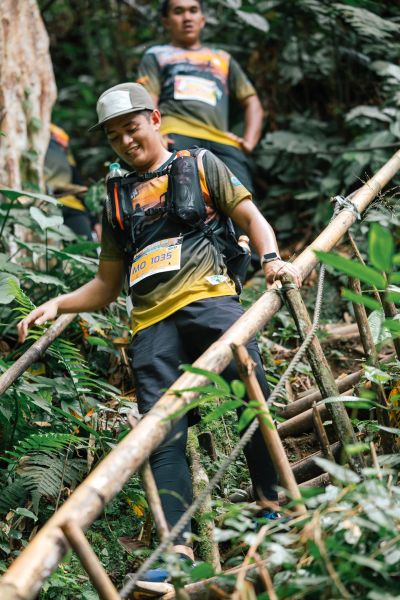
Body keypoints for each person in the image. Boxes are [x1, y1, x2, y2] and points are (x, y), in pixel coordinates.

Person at [18, 83, 301, 582]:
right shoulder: (115, 199)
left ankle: (272, 504)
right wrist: (58, 303)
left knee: (247, 389)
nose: (126, 142)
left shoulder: (200, 164)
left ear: (154, 120)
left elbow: (250, 218)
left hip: (210, 300)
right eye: (114, 137)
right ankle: (176, 553)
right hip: (150, 325)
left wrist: (273, 259)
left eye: (131, 128)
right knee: (161, 433)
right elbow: (106, 286)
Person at [137, 0, 263, 195]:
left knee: (243, 200)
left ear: (202, 19)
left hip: (222, 141)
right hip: (175, 136)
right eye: (178, 11)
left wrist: (249, 142)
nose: (187, 17)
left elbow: (251, 100)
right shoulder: (156, 55)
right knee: (181, 200)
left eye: (193, 10)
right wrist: (155, 136)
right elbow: (147, 99)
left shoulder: (223, 58)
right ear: (166, 21)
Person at [45, 123, 101, 241]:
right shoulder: (27, 131)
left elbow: (76, 180)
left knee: (86, 248)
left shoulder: (59, 136)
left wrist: (94, 220)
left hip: (71, 205)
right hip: (45, 205)